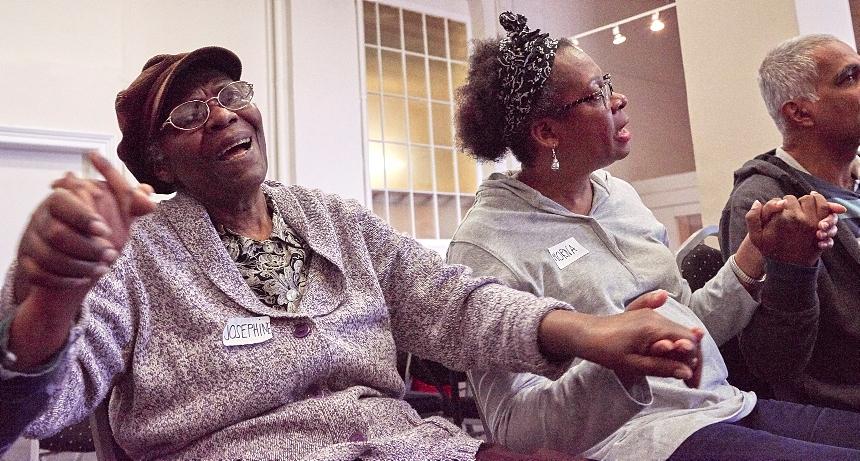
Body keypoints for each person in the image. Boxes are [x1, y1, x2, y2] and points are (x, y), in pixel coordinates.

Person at [0, 47, 707, 460]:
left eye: (228, 94)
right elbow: (37, 409)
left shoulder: (331, 217)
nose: (219, 113)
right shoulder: (135, 253)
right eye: (187, 115)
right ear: (160, 159)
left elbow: (452, 302)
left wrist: (591, 333)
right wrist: (54, 296)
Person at [449, 12, 860, 461]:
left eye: (607, 82)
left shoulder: (620, 197)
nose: (618, 99)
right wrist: (616, 363)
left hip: (720, 405)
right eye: (596, 94)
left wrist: (754, 251)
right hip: (639, 439)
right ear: (547, 132)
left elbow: (690, 322)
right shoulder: (487, 244)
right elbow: (514, 428)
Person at [720, 34, 860, 412]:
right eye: (850, 77)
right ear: (799, 113)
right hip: (838, 407)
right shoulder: (761, 203)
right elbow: (774, 365)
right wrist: (794, 269)